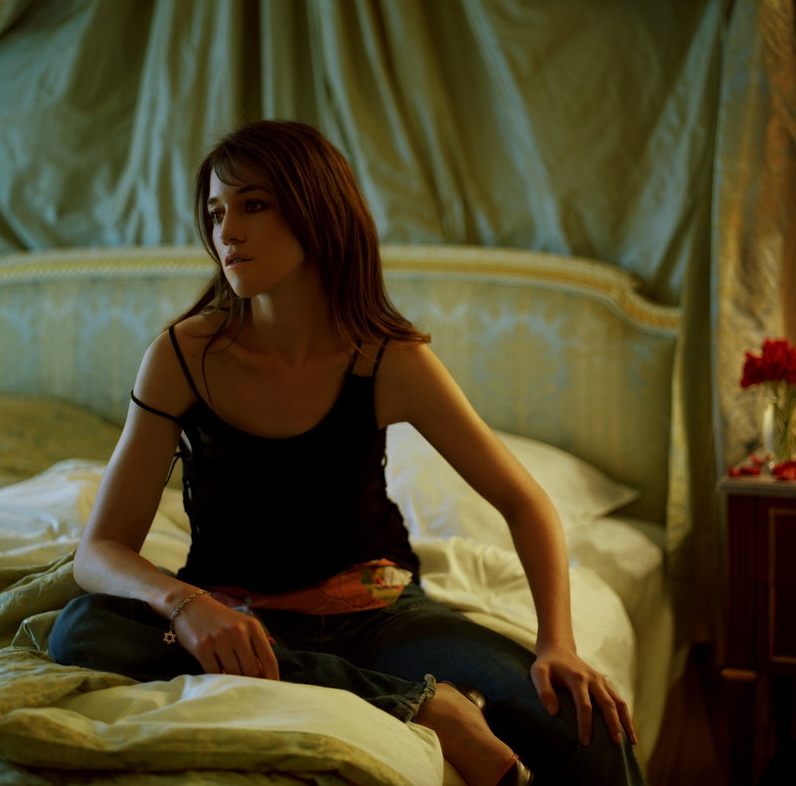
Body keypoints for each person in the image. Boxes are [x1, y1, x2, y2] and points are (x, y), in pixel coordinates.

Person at [49, 120, 644, 786]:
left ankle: (389, 689)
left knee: (583, 722)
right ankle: (423, 708)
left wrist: (557, 643)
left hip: (383, 619)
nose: (227, 232)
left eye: (253, 205)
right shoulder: (182, 356)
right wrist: (187, 605)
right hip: (241, 621)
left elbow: (523, 500)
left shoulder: (387, 359)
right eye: (215, 213)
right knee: (83, 631)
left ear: (318, 212)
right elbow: (100, 551)